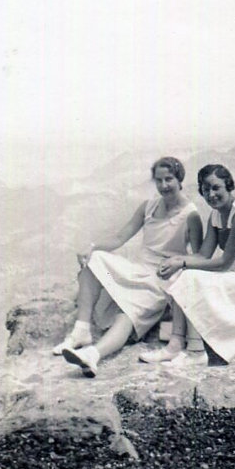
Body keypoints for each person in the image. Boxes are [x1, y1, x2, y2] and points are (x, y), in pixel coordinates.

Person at [56, 157, 203, 377]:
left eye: (169, 179)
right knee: (95, 262)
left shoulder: (191, 215)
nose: (164, 186)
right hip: (136, 271)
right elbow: (120, 237)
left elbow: (199, 256)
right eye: (159, 180)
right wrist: (92, 246)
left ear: (179, 178)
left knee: (129, 314)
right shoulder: (149, 206)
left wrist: (178, 269)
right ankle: (81, 330)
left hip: (159, 282)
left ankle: (94, 354)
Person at [139, 163, 235, 368]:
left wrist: (182, 262)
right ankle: (175, 344)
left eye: (216, 188)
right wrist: (177, 263)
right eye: (206, 190)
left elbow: (224, 263)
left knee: (191, 276)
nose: (211, 194)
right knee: (180, 275)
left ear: (228, 185)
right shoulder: (216, 216)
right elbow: (203, 255)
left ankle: (196, 352)